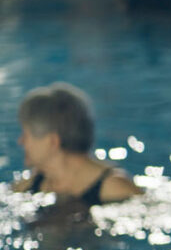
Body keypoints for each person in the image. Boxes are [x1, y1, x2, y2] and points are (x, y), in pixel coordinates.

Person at [12, 83, 140, 205]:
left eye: (26, 135)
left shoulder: (116, 189)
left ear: (53, 141)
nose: (20, 141)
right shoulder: (25, 187)